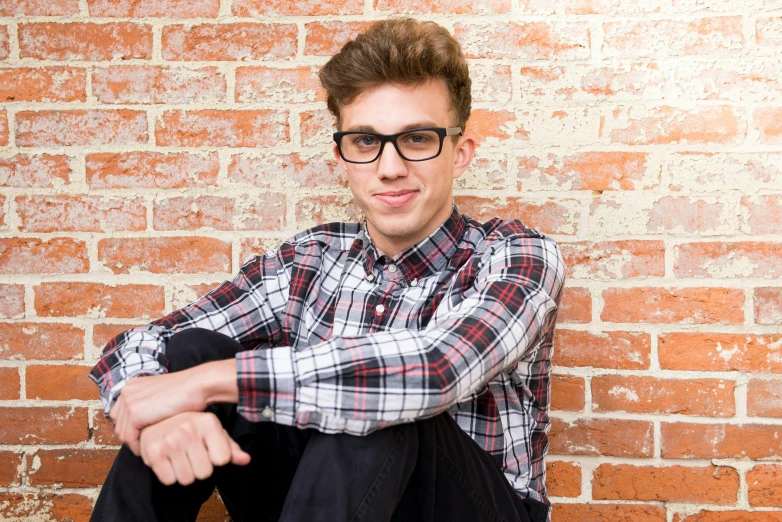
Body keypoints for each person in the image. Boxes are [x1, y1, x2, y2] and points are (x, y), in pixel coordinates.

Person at [88, 17, 565, 522]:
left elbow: (435, 368)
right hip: (326, 504)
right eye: (365, 142)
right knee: (190, 353)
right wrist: (155, 407)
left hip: (471, 508)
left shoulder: (514, 255)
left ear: (460, 152)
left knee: (379, 402)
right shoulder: (308, 260)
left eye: (418, 139)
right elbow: (149, 342)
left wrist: (203, 385)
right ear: (342, 158)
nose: (390, 167)